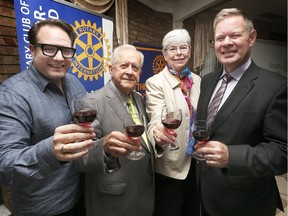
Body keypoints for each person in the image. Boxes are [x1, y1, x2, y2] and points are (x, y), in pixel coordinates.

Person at [194, 8, 287, 216]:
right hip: (205, 195)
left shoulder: (276, 86)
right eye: (220, 38)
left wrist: (231, 156)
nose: (226, 43)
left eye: (235, 35)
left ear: (252, 37)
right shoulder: (207, 81)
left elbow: (282, 153)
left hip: (245, 202)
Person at [0, 19, 96, 215]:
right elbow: (5, 164)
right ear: (32, 49)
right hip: (43, 207)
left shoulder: (74, 82)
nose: (60, 58)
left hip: (80, 193)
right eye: (49, 49)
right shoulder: (12, 95)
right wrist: (49, 151)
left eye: (66, 50)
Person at [75, 44, 154, 216]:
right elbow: (81, 157)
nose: (130, 71)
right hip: (113, 200)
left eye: (135, 67)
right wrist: (105, 148)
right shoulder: (92, 102)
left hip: (142, 193)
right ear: (111, 69)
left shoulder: (139, 99)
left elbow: (144, 144)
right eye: (123, 65)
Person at [145, 29, 201, 216]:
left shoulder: (199, 81)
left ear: (190, 51)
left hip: (197, 162)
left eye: (183, 47)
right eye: (172, 49)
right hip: (171, 167)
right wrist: (158, 135)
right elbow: (155, 118)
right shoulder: (155, 82)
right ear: (164, 54)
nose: (179, 53)